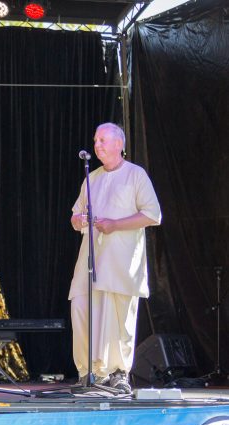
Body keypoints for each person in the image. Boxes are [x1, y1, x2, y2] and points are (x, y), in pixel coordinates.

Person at [69, 123, 161, 394]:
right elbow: (76, 215)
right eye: (95, 140)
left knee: (118, 317)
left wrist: (115, 224)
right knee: (82, 309)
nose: (97, 145)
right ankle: (88, 372)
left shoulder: (136, 175)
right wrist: (77, 220)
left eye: (103, 140)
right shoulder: (92, 177)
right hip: (91, 259)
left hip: (121, 261)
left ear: (119, 144)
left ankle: (118, 372)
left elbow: (153, 215)